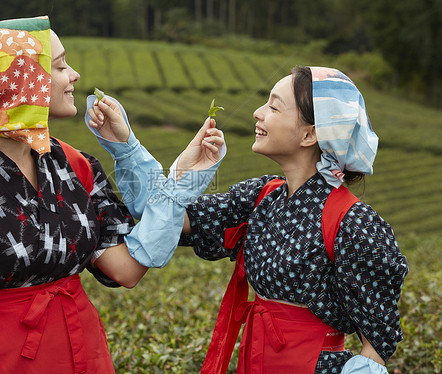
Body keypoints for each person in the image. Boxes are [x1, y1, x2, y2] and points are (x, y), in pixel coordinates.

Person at [0, 16, 225, 373]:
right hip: (0, 358)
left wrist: (168, 176)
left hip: (80, 348)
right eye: (59, 65)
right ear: (16, 82)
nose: (74, 75)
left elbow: (126, 269)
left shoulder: (75, 167)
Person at [91, 66, 408, 373]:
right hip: (255, 360)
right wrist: (126, 147)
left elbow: (377, 342)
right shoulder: (261, 197)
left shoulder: (354, 222)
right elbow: (166, 216)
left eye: (273, 107)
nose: (258, 113)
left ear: (310, 134)